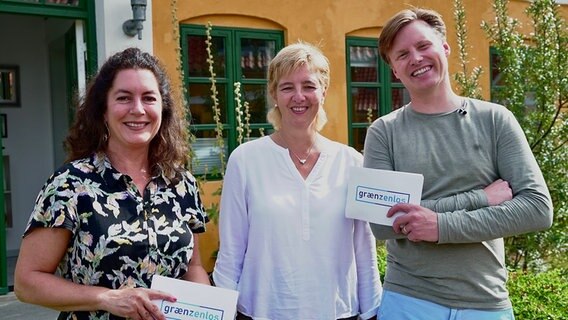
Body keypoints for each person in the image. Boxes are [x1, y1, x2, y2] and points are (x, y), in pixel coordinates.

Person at [363, 7, 554, 320]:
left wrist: (440, 226)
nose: (416, 58)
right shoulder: (384, 131)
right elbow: (383, 223)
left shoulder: (495, 120)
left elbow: (537, 209)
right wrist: (481, 198)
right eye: (402, 54)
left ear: (445, 48)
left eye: (424, 46)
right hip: (409, 302)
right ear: (394, 70)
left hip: (485, 303)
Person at [14, 47, 210, 320]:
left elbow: (194, 267)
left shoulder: (182, 184)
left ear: (163, 110)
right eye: (124, 98)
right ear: (103, 110)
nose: (138, 109)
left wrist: (204, 311)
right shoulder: (71, 184)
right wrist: (106, 298)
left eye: (149, 98)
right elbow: (27, 283)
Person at [212, 41, 382, 320]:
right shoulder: (245, 160)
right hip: (261, 312)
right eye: (287, 87)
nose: (298, 96)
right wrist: (222, 312)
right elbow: (231, 253)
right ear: (274, 95)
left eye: (309, 86)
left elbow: (364, 250)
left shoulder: (351, 162)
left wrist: (373, 311)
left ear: (324, 92)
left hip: (338, 312)